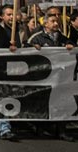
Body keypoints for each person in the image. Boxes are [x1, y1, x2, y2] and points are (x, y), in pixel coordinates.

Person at [27, 13, 74, 142]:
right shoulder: (37, 38)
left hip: (60, 76)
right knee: (43, 102)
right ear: (45, 23)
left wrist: (70, 46)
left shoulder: (62, 38)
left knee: (61, 102)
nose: (56, 23)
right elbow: (25, 50)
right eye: (53, 21)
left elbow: (73, 48)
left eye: (57, 21)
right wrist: (32, 48)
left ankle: (61, 130)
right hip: (43, 76)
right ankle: (40, 128)